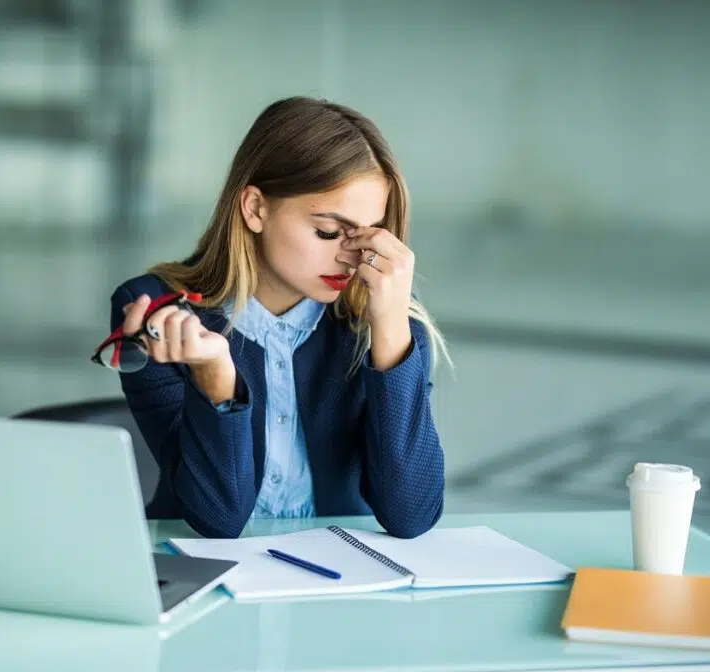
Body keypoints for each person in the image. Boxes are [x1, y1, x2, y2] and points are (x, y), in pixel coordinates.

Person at [94, 96, 449, 539]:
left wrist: (393, 330)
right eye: (328, 232)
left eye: (367, 234)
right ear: (255, 209)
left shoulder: (380, 309)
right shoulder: (156, 310)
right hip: (199, 579)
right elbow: (218, 519)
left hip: (336, 579)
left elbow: (412, 515)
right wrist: (217, 382)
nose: (351, 257)